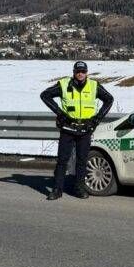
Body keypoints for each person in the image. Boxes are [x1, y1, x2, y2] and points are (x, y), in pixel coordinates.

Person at [40, 61, 113, 200]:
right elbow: (45, 95)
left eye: (83, 71)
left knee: (82, 160)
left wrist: (97, 120)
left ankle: (79, 188)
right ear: (74, 72)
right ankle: (57, 190)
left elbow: (109, 99)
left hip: (85, 129)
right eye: (78, 71)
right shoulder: (64, 84)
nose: (80, 74)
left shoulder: (93, 86)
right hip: (68, 128)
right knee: (62, 161)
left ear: (87, 72)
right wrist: (60, 113)